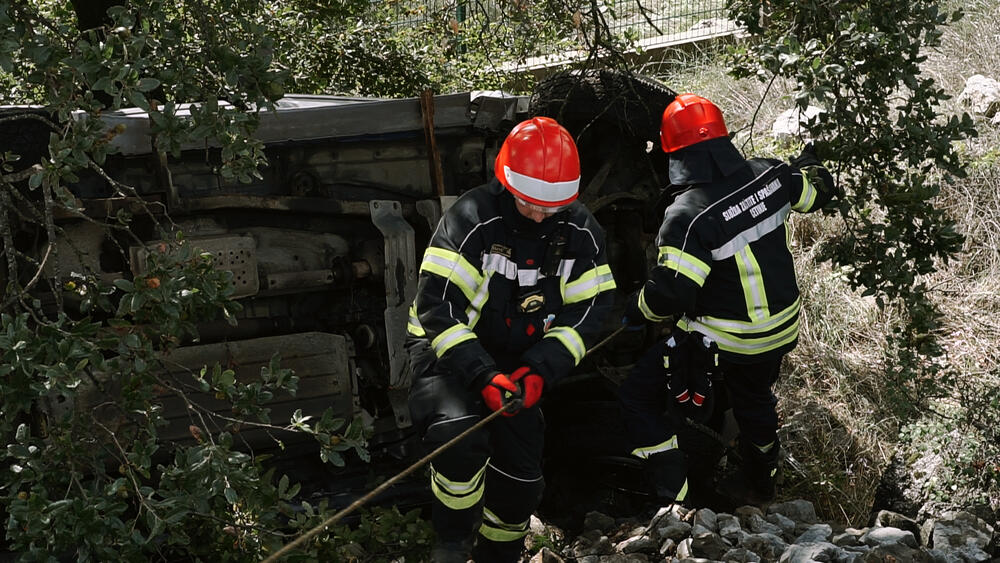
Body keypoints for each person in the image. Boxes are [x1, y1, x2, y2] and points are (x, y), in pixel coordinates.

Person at [407, 116, 616, 562]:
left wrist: (541, 368)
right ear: (507, 184)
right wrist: (482, 374)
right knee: (459, 440)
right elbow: (437, 309)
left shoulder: (579, 232)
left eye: (552, 207)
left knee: (521, 485)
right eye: (530, 203)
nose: (541, 214)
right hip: (448, 356)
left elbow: (591, 308)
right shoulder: (470, 219)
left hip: (521, 364)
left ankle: (498, 557)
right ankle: (452, 543)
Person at [618, 93, 837, 508]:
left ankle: (675, 502)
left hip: (725, 339)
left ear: (674, 153)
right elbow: (817, 192)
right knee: (755, 398)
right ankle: (760, 487)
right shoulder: (770, 176)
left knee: (638, 397)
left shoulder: (687, 216)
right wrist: (812, 162)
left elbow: (670, 294)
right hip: (782, 328)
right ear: (722, 137)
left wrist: (636, 309)